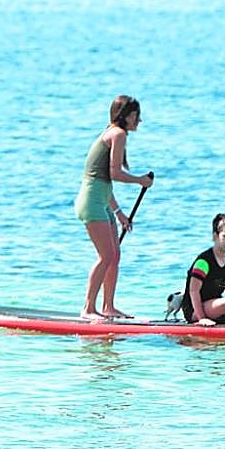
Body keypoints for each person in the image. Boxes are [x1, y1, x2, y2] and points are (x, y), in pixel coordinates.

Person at [74, 95, 155, 320]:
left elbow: (104, 181)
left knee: (115, 255)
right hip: (91, 202)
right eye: (136, 115)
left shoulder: (112, 133)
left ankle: (108, 307)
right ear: (125, 116)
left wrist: (119, 213)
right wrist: (140, 180)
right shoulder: (117, 134)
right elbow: (114, 173)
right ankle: (88, 308)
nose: (139, 120)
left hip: (102, 200)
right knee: (106, 255)